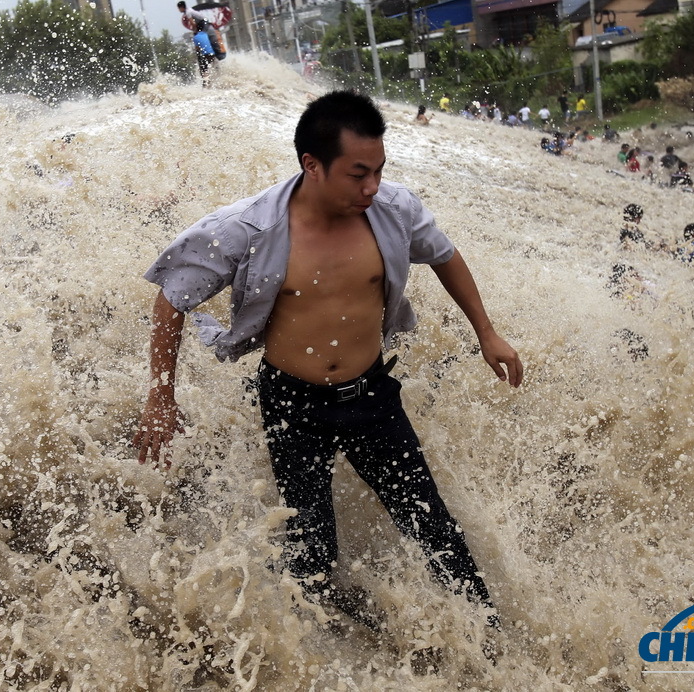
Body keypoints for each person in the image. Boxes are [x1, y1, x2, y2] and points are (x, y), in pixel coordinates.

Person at [134, 90, 522, 632]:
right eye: (357, 174)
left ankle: (490, 640)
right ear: (311, 165)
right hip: (293, 402)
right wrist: (160, 397)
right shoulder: (247, 228)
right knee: (313, 547)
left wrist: (487, 332)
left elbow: (445, 256)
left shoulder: (392, 211)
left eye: (379, 171)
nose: (372, 187)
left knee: (433, 527)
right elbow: (172, 298)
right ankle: (329, 644)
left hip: (370, 397)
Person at [191, 18, 216, 87]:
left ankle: (206, 84)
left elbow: (197, 49)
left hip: (206, 55)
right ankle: (213, 81)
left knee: (203, 70)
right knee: (212, 68)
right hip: (213, 53)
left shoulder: (196, 37)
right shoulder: (206, 34)